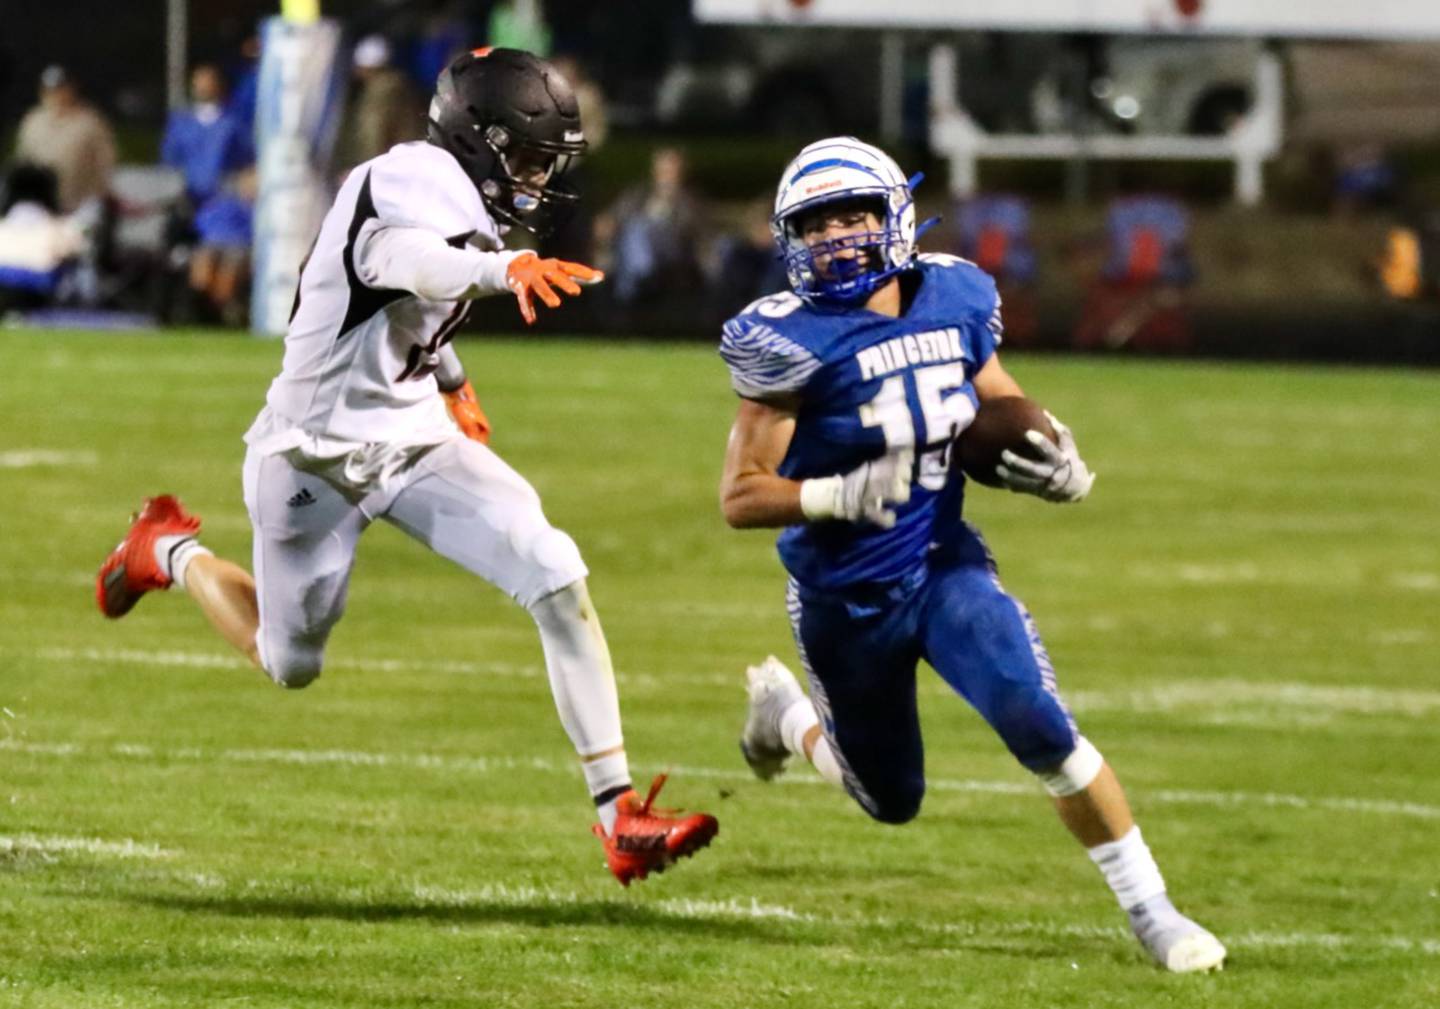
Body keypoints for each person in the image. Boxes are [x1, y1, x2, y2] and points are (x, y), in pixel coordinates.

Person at [94, 48, 717, 886]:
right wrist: (505, 269)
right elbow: (406, 266)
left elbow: (412, 311)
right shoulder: (407, 183)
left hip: (412, 433)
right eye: (528, 160)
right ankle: (167, 549)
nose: (536, 181)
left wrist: (453, 382)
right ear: (479, 140)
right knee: (291, 661)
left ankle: (619, 816)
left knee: (554, 573)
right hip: (313, 451)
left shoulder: (453, 189)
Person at [717, 136, 1226, 972]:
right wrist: (831, 497)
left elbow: (1003, 401)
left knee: (1039, 722)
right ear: (788, 238)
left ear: (897, 217)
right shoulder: (788, 339)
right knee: (889, 799)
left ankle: (1156, 912)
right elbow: (741, 493)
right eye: (817, 224)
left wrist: (1057, 454)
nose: (838, 236)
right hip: (845, 599)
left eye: (855, 216)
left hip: (943, 566)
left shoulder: (951, 295)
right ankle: (788, 716)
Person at [13, 65, 115, 216]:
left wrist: (98, 196)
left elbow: (105, 163)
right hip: (41, 207)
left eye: (61, 88)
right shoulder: (33, 121)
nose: (56, 95)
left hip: (80, 206)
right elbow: (23, 160)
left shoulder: (90, 122)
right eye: (51, 90)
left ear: (71, 89)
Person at [337, 35, 426, 171]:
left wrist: (367, 168)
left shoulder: (382, 92)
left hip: (390, 165)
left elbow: (374, 132)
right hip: (405, 160)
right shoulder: (399, 86)